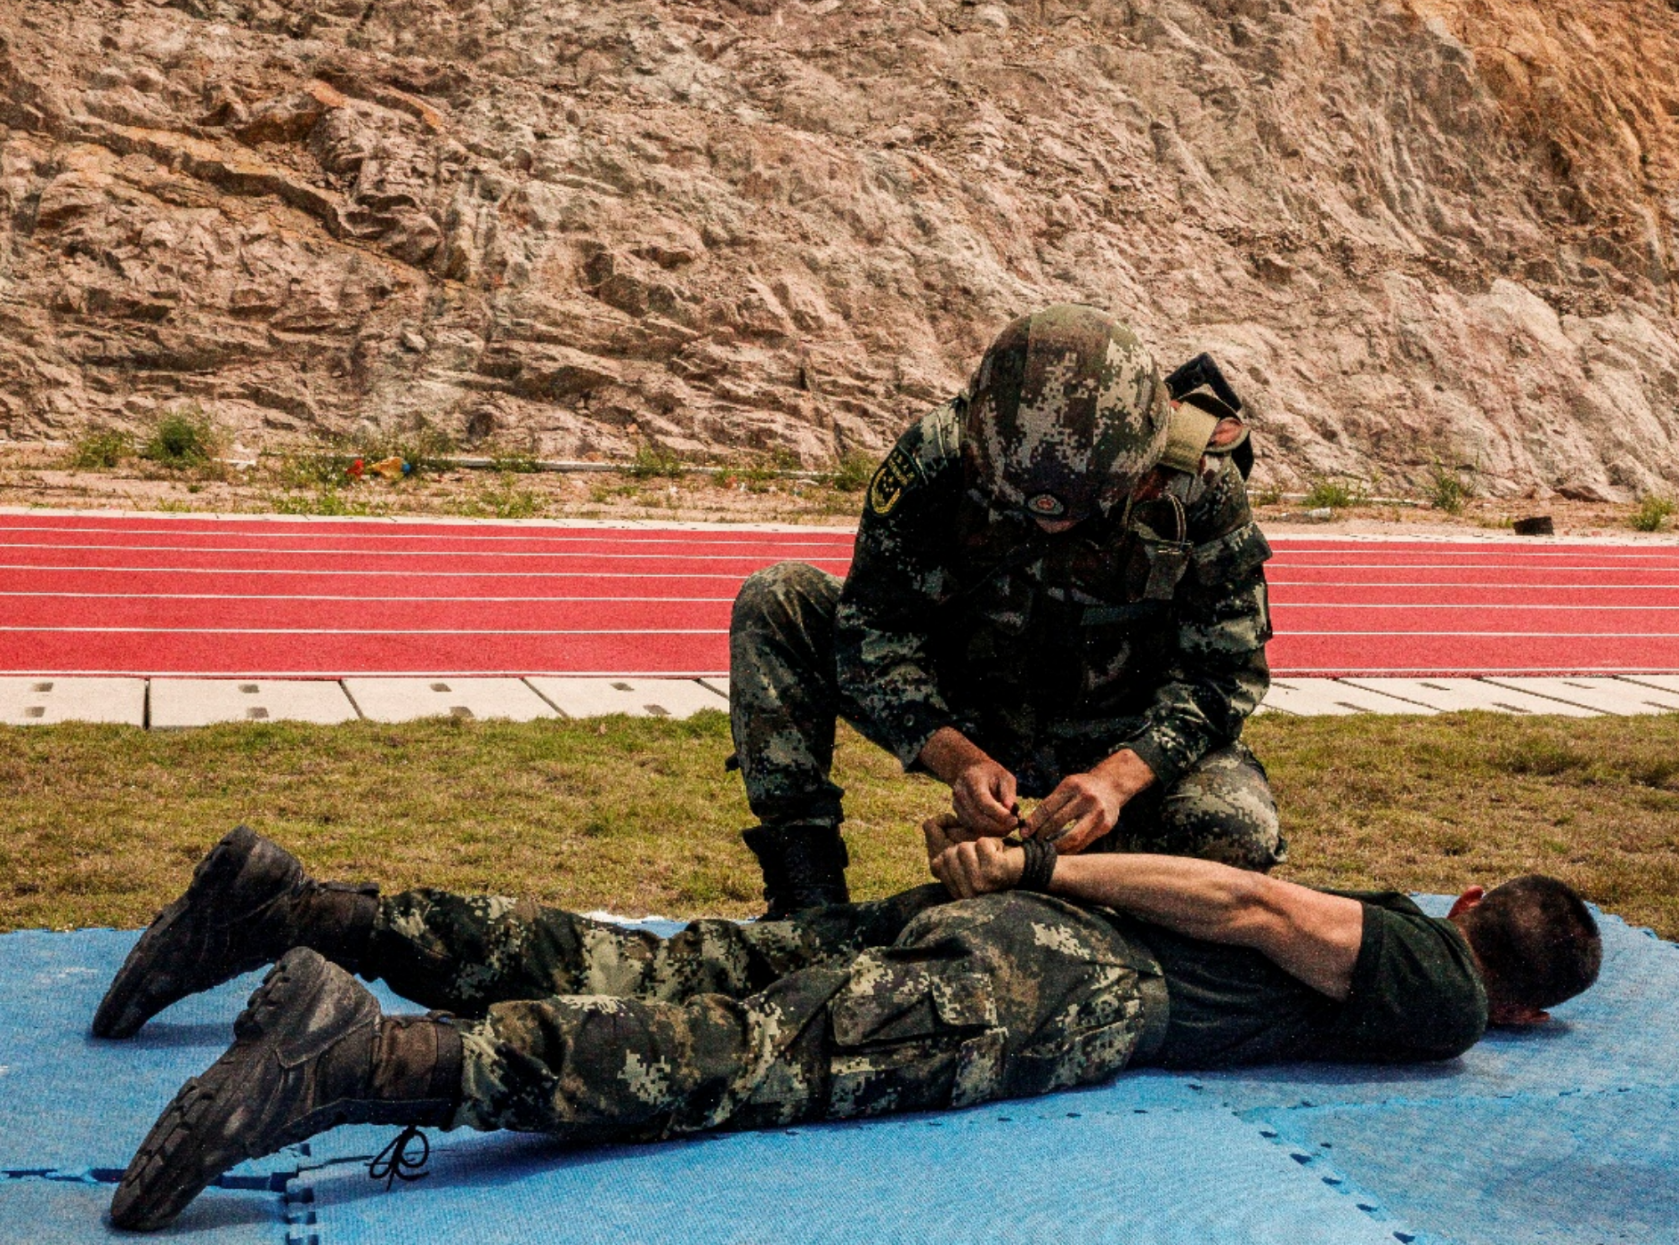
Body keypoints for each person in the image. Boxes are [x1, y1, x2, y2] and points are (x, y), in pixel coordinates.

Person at [97, 825, 1602, 1231]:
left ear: (1472, 890)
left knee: (678, 973)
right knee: (752, 1053)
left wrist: (1036, 876)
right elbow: (1257, 907)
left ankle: (305, 908)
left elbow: (1250, 892)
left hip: (1028, 939)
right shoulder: (1442, 990)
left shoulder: (1418, 928)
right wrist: (1043, 872)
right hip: (1063, 978)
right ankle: (364, 1059)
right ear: (1525, 1003)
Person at [732, 304, 1280, 915]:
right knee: (778, 600)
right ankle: (806, 897)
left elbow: (1222, 673)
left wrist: (1115, 781)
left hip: (1118, 726)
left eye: (1084, 506)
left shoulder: (1198, 481)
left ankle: (1048, 873)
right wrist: (957, 758)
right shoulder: (939, 457)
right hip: (972, 702)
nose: (1052, 524)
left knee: (1235, 830)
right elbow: (875, 634)